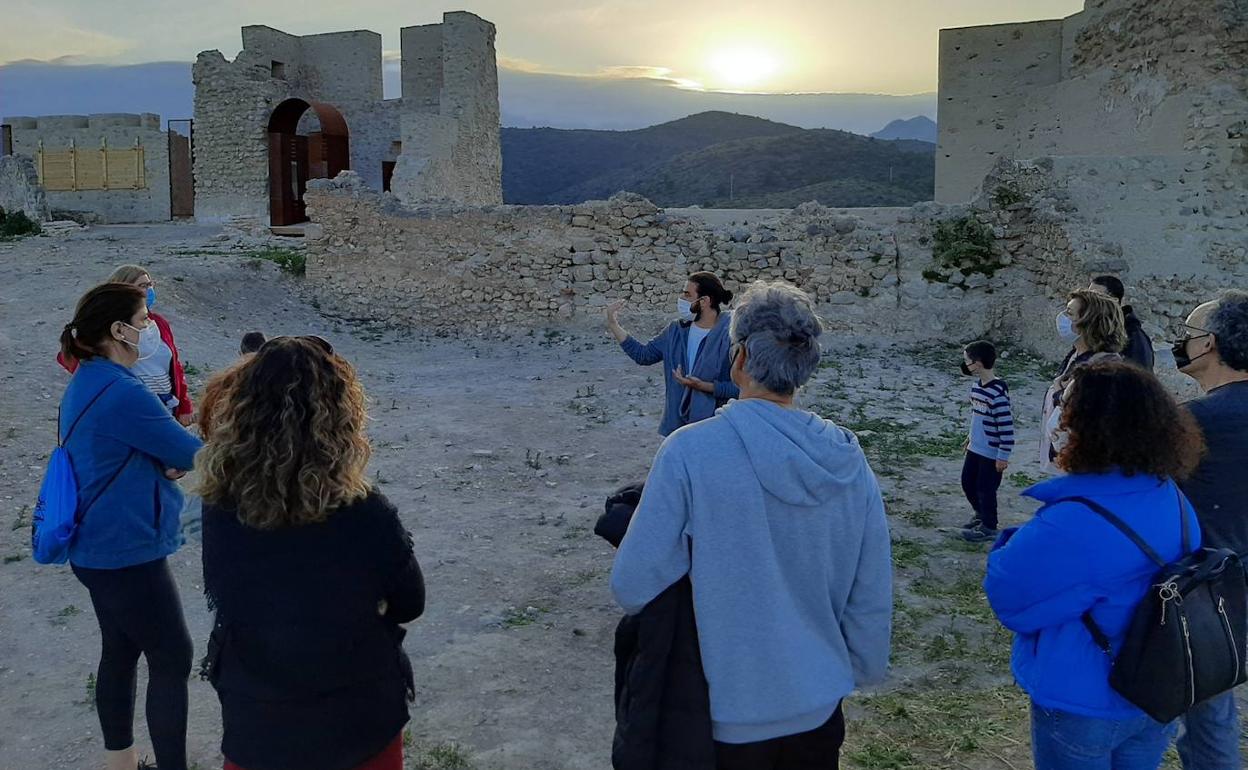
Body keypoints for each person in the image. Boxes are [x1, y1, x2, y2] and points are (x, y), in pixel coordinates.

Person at [611, 281, 892, 770]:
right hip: (819, 703)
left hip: (728, 714)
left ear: (737, 358)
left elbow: (633, 585)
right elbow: (870, 584)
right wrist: (861, 667)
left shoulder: (690, 452)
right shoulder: (848, 458)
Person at [197, 336, 425, 770]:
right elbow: (410, 602)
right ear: (341, 416)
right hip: (355, 721)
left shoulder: (220, 506)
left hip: (258, 723)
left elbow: (227, 595)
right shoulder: (362, 511)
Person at [985, 361, 1205, 770]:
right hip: (1153, 690)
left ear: (1089, 425)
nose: (1055, 417)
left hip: (1084, 698)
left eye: (1064, 407)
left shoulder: (1075, 521)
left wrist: (1010, 543)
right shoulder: (1169, 494)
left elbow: (1009, 597)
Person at [56, 283, 204, 770]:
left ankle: (118, 762)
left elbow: (155, 450)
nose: (150, 328)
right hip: (126, 549)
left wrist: (170, 456)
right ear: (117, 330)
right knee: (172, 657)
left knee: (119, 651)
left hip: (97, 546)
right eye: (143, 320)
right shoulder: (122, 391)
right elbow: (193, 453)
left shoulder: (90, 378)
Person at [1170, 290, 1248, 770]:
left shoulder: (1193, 421)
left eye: (1190, 335)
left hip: (1207, 589)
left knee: (1206, 718)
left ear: (1210, 344)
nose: (1182, 343)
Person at [58, 265, 195, 426]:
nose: (148, 290)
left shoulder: (160, 324)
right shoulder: (109, 329)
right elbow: (78, 360)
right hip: (131, 407)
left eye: (150, 284)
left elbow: (175, 366)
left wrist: (184, 405)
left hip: (165, 405)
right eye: (142, 286)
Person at [606, 272, 740, 436]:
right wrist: (613, 324)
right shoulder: (676, 331)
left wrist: (705, 387)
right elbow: (643, 355)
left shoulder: (731, 336)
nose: (681, 299)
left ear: (704, 301)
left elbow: (742, 389)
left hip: (717, 429)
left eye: (687, 294)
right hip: (678, 427)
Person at [1041, 289, 1127, 468]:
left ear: (1088, 323)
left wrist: (1058, 394)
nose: (1063, 317)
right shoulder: (1076, 354)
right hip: (1064, 455)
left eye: (1070, 313)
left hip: (1083, 463)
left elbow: (1084, 412)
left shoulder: (1102, 367)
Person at [958, 340, 1014, 543]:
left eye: (967, 361)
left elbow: (1006, 427)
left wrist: (1003, 455)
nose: (965, 365)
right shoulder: (976, 388)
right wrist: (970, 438)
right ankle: (980, 514)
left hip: (991, 452)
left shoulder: (997, 393)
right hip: (975, 447)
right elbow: (977, 417)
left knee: (986, 488)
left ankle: (989, 525)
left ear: (978, 363)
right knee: (967, 482)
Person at [1089, 275, 1154, 370]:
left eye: (1096, 297)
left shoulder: (1133, 336)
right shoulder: (1100, 331)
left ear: (1113, 300)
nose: (1089, 302)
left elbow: (1139, 377)